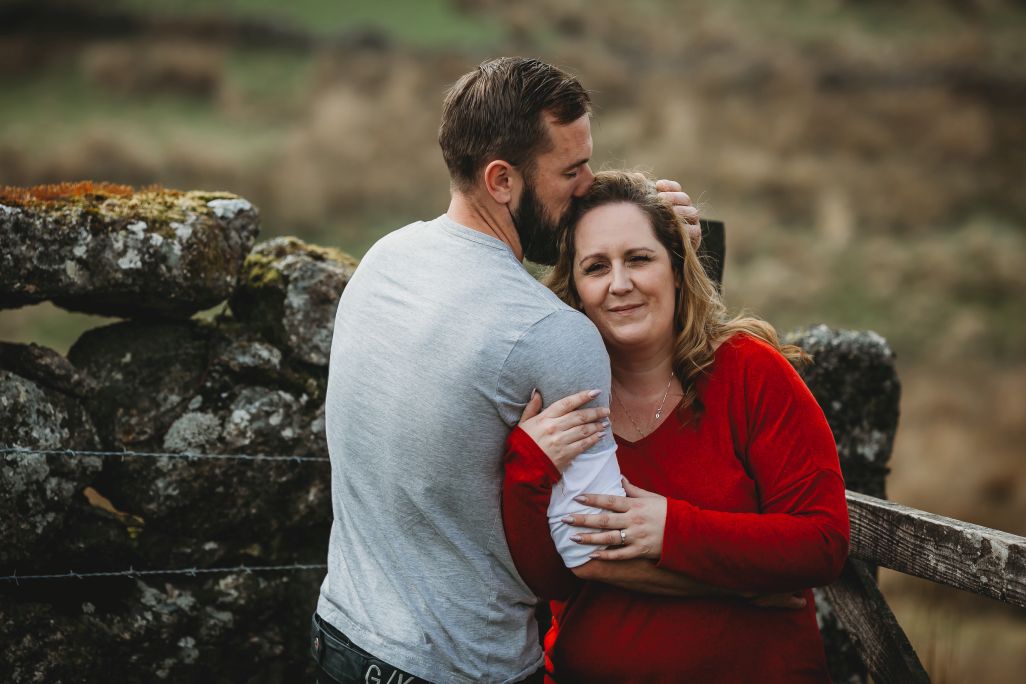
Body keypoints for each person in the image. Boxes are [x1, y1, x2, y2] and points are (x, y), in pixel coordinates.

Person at [312, 58, 702, 684]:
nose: (587, 186)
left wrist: (667, 241)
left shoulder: (386, 257)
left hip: (342, 635)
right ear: (501, 180)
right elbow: (592, 551)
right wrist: (751, 587)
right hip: (460, 667)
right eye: (571, 171)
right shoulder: (552, 333)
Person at [502, 171, 851, 682]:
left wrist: (671, 529)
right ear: (574, 289)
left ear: (678, 270)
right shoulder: (564, 397)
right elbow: (554, 577)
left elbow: (821, 541)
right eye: (596, 267)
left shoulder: (749, 372)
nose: (620, 284)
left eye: (639, 259)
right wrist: (526, 469)